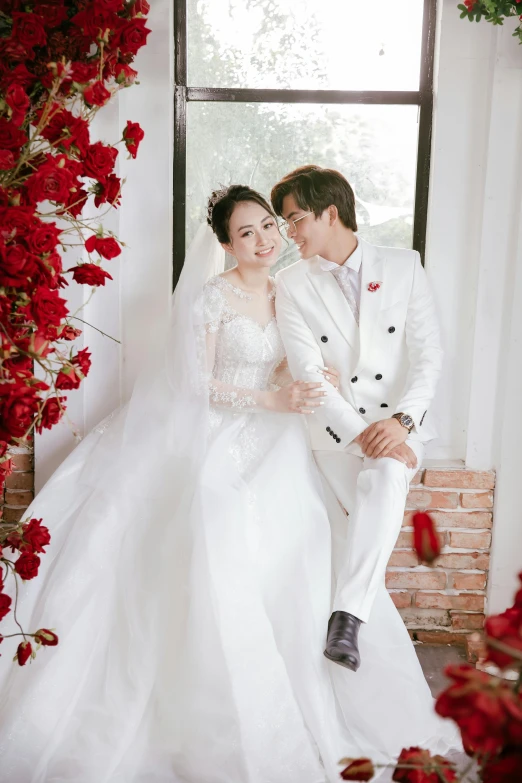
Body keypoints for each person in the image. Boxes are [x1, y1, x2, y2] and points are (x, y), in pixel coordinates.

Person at [0, 185, 459, 783]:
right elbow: (195, 385)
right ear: (225, 244)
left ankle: (336, 649)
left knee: (303, 546)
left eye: (271, 226)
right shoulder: (212, 299)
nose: (267, 239)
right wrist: (270, 397)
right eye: (248, 233)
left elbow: (316, 360)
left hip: (286, 440)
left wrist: (316, 383)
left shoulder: (296, 288)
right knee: (216, 536)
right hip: (224, 431)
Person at [272, 165, 444, 672]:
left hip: (400, 427)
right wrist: (366, 434)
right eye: (284, 223)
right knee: (362, 521)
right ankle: (349, 629)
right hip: (335, 434)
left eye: (295, 218)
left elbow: (429, 356)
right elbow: (309, 374)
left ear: (331, 212)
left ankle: (345, 619)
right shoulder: (291, 283)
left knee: (388, 475)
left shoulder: (403, 265)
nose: (289, 233)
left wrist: (403, 424)